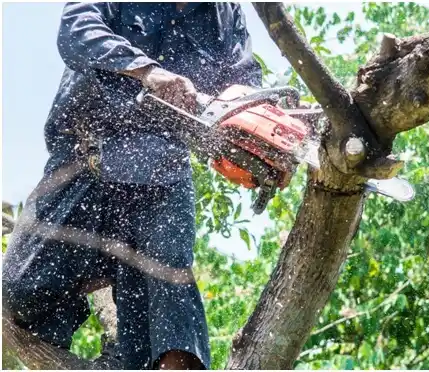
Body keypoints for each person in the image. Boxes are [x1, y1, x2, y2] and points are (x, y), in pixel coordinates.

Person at [2, 2, 261, 370]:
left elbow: (244, 81)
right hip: (86, 155)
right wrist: (147, 72)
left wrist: (260, 133)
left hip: (162, 168)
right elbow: (76, 30)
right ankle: (100, 269)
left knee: (169, 281)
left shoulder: (223, 14)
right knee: (18, 293)